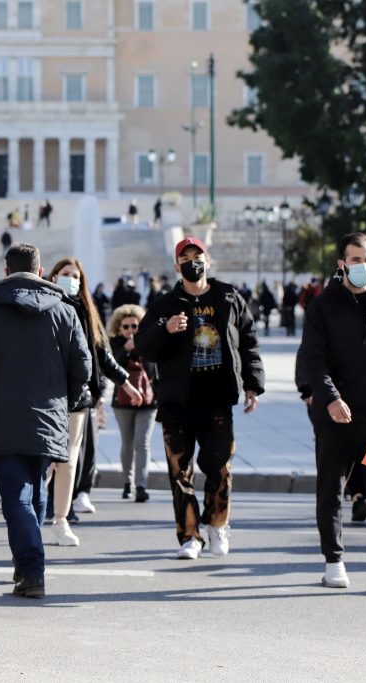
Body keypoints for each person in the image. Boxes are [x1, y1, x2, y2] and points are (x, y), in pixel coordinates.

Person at [0, 243, 92, 597]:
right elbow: (83, 367)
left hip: (1, 414)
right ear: (42, 271)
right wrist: (65, 403)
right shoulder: (65, 311)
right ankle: (26, 565)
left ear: (5, 271)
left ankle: (31, 569)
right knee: (33, 490)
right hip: (48, 415)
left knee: (17, 496)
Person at [135, 237, 264, 560]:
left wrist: (253, 384)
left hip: (218, 397)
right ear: (177, 266)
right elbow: (144, 347)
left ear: (208, 261)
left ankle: (217, 524)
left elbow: (248, 341)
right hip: (177, 400)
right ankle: (189, 535)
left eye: (198, 255)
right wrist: (166, 329)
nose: (193, 261)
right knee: (180, 472)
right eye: (186, 257)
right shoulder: (165, 304)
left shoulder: (228, 296)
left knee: (219, 465)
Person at [298, 232, 366, 593]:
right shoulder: (321, 307)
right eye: (356, 260)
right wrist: (329, 398)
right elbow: (313, 358)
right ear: (341, 264)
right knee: (331, 490)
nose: (363, 266)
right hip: (335, 416)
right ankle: (334, 562)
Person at [45, 257, 141, 537]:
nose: (71, 279)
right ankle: (35, 511)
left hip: (79, 397)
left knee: (69, 460)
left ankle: (61, 519)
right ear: (53, 276)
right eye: (65, 274)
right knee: (46, 461)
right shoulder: (44, 307)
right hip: (48, 395)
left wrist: (125, 382)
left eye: (76, 276)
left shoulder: (88, 311)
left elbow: (103, 354)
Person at [108, 304, 158, 502]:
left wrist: (139, 348)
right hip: (122, 402)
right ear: (119, 328)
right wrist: (127, 350)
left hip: (148, 402)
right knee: (127, 444)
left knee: (142, 444)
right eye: (126, 327)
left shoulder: (148, 342)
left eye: (134, 326)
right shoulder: (114, 343)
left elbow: (152, 370)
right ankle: (127, 482)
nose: (130, 330)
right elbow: (112, 368)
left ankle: (141, 485)